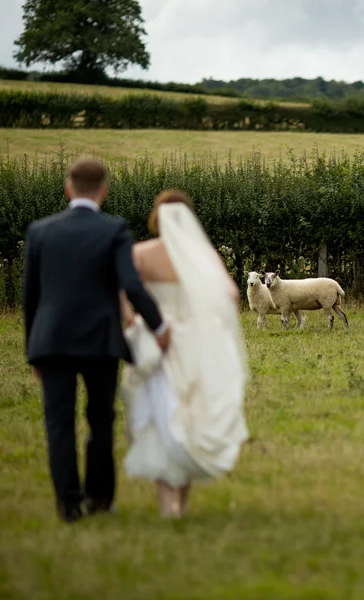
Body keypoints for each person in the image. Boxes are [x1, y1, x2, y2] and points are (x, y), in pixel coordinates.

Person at [23, 158, 171, 523]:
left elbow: (30, 297)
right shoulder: (114, 229)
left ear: (67, 188)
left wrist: (33, 351)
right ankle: (101, 500)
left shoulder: (40, 231)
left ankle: (69, 504)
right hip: (100, 340)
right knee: (100, 420)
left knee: (59, 423)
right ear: (104, 190)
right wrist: (159, 326)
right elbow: (132, 285)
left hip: (51, 341)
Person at [120, 190, 248, 519]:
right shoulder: (203, 255)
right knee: (191, 416)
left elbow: (121, 293)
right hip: (194, 343)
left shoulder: (141, 253)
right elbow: (231, 294)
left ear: (155, 218)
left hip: (158, 341)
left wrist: (133, 323)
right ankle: (184, 501)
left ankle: (168, 506)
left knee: (161, 418)